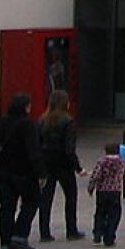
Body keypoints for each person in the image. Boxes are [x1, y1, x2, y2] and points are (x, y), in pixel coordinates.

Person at [0, 94, 46, 249]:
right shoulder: (27, 125)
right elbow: (33, 151)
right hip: (23, 171)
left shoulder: (0, 121)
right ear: (25, 107)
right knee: (32, 200)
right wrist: (41, 172)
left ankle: (6, 243)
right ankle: (20, 234)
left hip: (2, 171)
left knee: (6, 206)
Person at [37, 89, 85, 240]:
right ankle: (71, 230)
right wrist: (78, 167)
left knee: (45, 199)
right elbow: (69, 149)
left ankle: (44, 232)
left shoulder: (42, 121)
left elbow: (37, 144)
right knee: (70, 197)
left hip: (46, 163)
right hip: (63, 164)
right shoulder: (68, 121)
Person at [86, 142, 125, 247]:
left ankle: (98, 234)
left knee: (100, 213)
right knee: (114, 215)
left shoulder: (102, 161)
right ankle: (109, 237)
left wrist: (91, 187)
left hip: (102, 191)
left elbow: (96, 175)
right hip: (115, 192)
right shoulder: (121, 162)